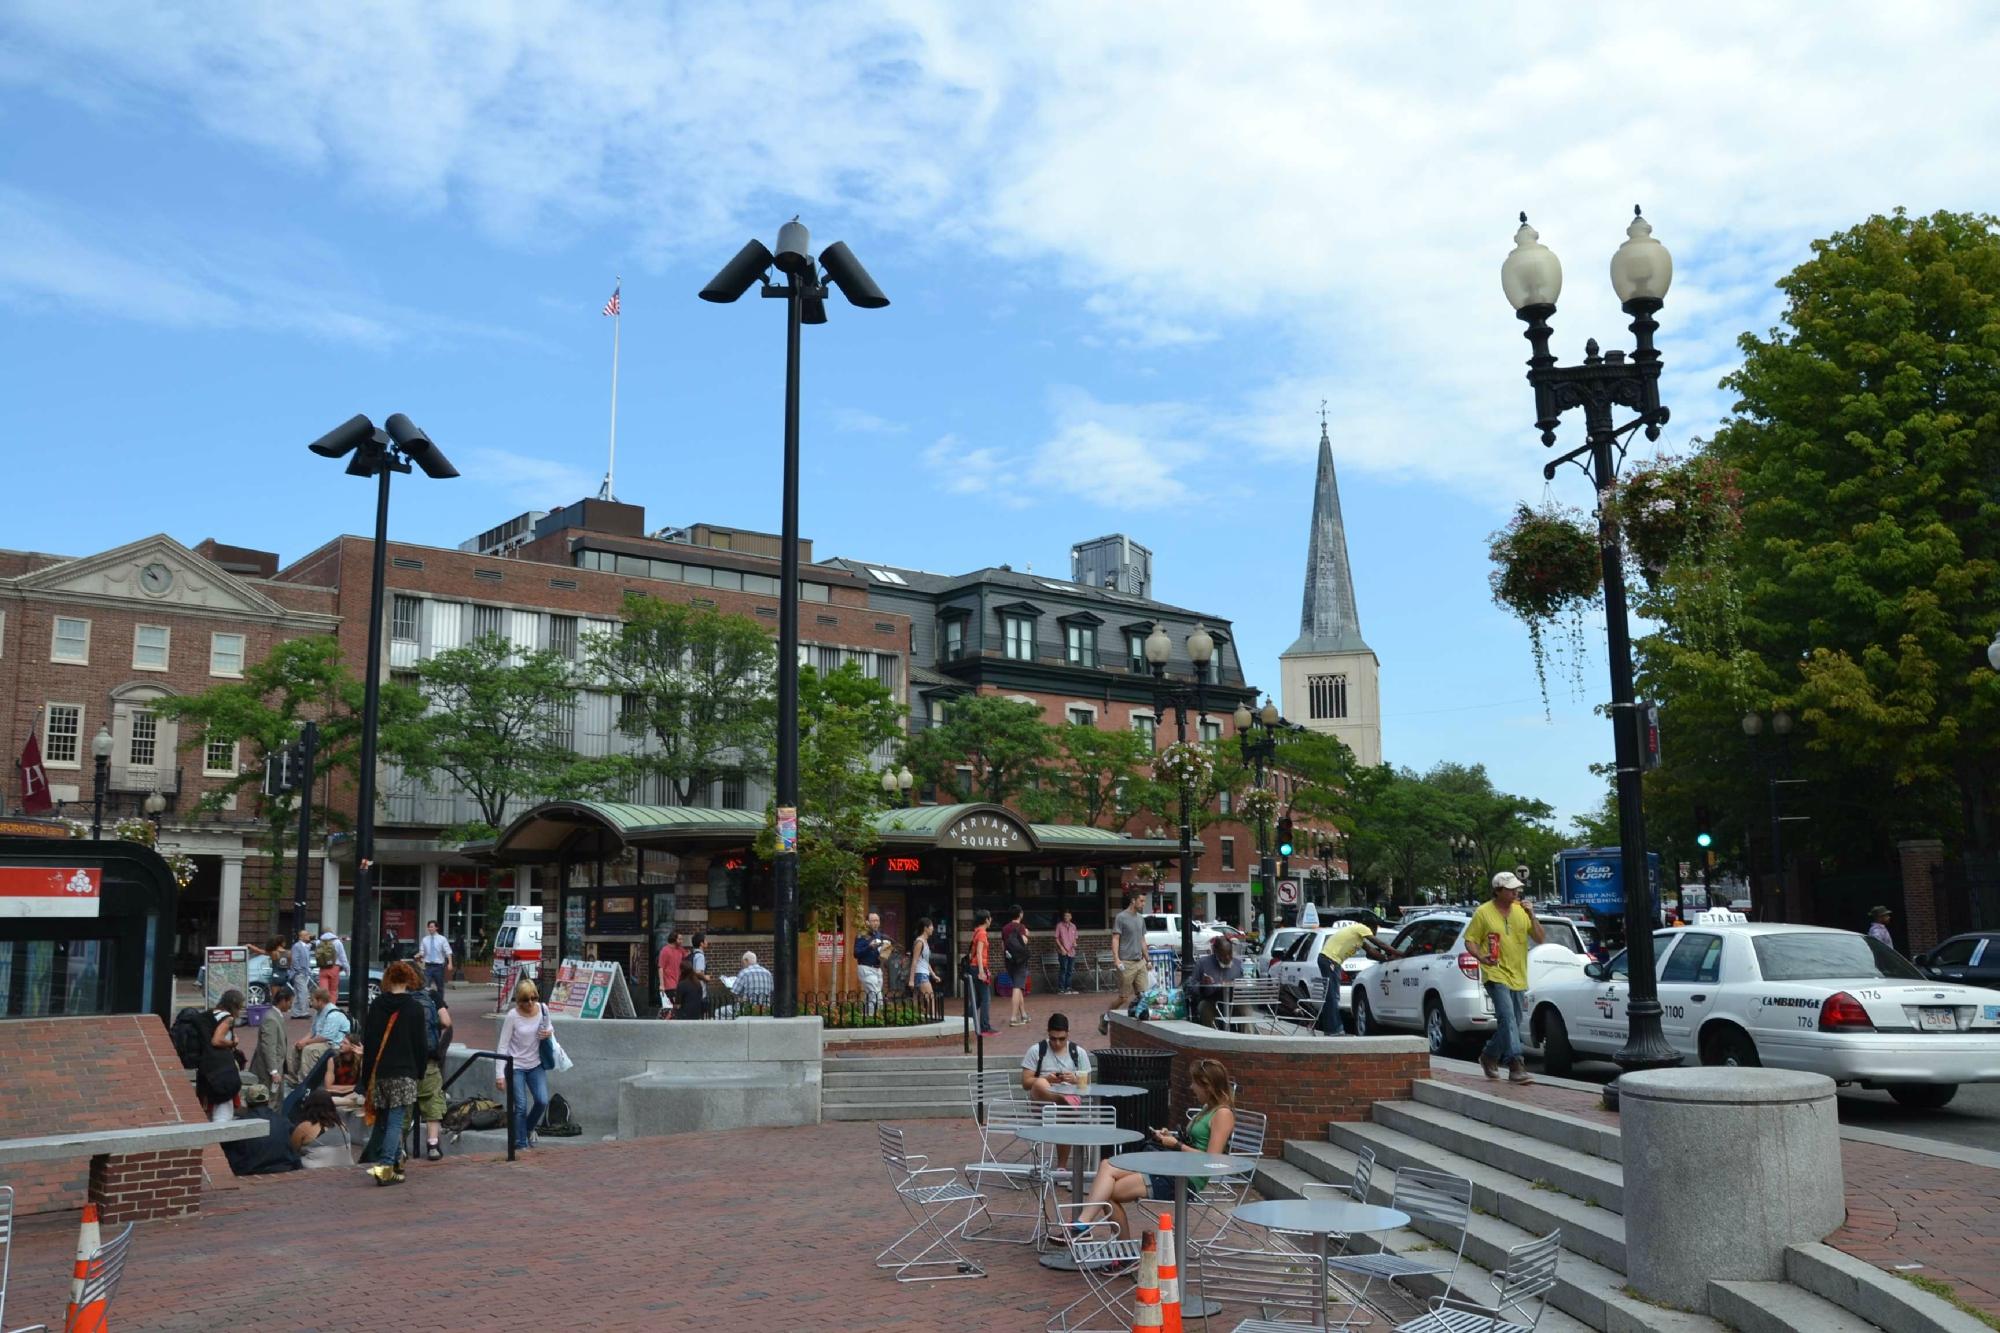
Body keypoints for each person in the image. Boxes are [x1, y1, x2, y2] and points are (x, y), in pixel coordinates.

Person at [1081, 1057, 1236, 1240]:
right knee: (1107, 1166)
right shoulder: (1207, 1108)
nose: (1192, 1087)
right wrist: (1170, 1138)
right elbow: (1193, 1143)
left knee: (1106, 1193)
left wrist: (1177, 1145)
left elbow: (1212, 1159)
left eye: (1195, 1083)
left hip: (1185, 1180)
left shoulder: (1223, 1114)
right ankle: (1084, 1224)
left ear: (1208, 1086)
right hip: (1173, 1167)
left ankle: (1090, 1231)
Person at [1469, 871, 1545, 1084]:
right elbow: (1471, 940)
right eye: (1510, 889)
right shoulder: (1483, 912)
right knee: (1507, 1017)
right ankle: (1515, 1064)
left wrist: (1532, 915)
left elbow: (1539, 938)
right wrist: (1481, 957)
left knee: (1514, 1021)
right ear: (1498, 890)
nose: (1515, 892)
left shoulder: (1522, 911)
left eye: (1517, 889)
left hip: (1518, 973)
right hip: (1495, 972)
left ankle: (1489, 1055)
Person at [359, 961, 429, 1185]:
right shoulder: (414, 1008)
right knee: (396, 1120)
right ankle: (386, 1165)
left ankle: (397, 1162)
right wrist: (421, 1070)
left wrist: (366, 1076)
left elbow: (369, 1043)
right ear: (409, 980)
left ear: (388, 979)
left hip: (380, 1072)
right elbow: (421, 1044)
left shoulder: (378, 1005)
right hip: (404, 1071)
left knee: (387, 1118)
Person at [1021, 1012, 1091, 1173]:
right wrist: (1048, 1079)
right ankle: (1061, 1099)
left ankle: (1061, 1167)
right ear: (1048, 1034)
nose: (1057, 1043)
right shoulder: (1037, 1050)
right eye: (1053, 1039)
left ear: (1068, 1035)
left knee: (1065, 1113)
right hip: (1043, 1105)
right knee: (1039, 1082)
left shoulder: (1078, 1052)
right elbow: (1025, 1083)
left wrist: (1074, 1079)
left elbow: (1087, 1083)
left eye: (1061, 1039)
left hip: (1069, 1107)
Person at [496, 979, 554, 1152]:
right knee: (520, 1105)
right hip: (516, 1066)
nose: (530, 1003)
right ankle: (521, 1143)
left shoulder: (543, 1009)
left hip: (536, 1064)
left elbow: (549, 1026)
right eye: (525, 1000)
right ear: (518, 1000)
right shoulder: (513, 1016)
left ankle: (527, 1128)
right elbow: (503, 1045)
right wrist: (499, 1074)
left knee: (542, 1100)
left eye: (533, 998)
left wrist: (548, 1032)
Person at [1314, 922, 1399, 1036]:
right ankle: (1334, 1030)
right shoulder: (1361, 928)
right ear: (1371, 928)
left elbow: (1371, 951)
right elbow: (1380, 944)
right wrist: (1400, 953)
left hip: (1330, 960)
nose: (1373, 935)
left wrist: (1386, 958)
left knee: (1331, 996)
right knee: (1332, 996)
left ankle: (1331, 1029)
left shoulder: (1357, 937)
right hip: (1330, 960)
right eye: (1374, 933)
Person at [415, 985, 454, 1162]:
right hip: (428, 1058)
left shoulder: (397, 996)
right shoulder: (431, 995)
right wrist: (432, 1027)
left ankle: (400, 1148)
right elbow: (446, 1022)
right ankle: (432, 1144)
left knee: (405, 1105)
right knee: (432, 1100)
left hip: (406, 1059)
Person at [196, 989, 247, 1122]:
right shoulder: (227, 1018)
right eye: (240, 1007)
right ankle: (221, 1140)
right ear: (235, 1005)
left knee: (208, 1107)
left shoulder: (211, 1014)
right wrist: (232, 1042)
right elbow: (216, 1040)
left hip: (205, 1067)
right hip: (221, 1070)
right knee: (223, 1111)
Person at [1102, 892, 1148, 1037]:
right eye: (1141, 901)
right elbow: (1116, 938)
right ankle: (1105, 1017)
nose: (1143, 904)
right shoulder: (1121, 917)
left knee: (1144, 995)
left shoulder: (1141, 919)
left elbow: (1142, 940)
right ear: (1133, 901)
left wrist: (1148, 959)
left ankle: (1139, 1026)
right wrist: (1117, 959)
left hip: (1139, 962)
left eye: (1144, 901)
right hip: (1126, 962)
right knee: (1123, 998)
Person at [1188, 936, 1244, 1027]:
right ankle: (1213, 1035)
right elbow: (1191, 987)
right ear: (1216, 952)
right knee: (1204, 1008)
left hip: (1232, 1001)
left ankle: (1247, 1036)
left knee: (1246, 1010)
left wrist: (1239, 985)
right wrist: (1202, 983)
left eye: (1229, 954)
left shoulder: (1237, 964)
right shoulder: (1203, 963)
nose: (1227, 957)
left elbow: (1243, 983)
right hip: (1211, 1000)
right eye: (1223, 955)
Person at [247, 984, 293, 1094]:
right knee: (272, 1100)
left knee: (276, 1099)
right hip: (269, 1069)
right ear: (282, 1000)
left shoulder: (275, 1016)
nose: (291, 1005)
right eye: (290, 1002)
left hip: (276, 1066)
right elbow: (269, 1046)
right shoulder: (271, 1019)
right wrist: (274, 1071)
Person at [290, 1090, 352, 1170]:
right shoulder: (342, 1124)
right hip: (346, 1170)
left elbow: (292, 1150)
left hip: (315, 1172)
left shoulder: (305, 1127)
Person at [297, 984, 351, 1057]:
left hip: (334, 1045)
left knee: (309, 1050)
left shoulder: (333, 1014)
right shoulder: (318, 1012)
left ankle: (310, 1069)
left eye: (312, 1000)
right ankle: (298, 1069)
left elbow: (325, 1038)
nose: (310, 1003)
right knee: (297, 1048)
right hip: (322, 1042)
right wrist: (301, 1041)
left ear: (320, 1001)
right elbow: (312, 1032)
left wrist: (306, 1042)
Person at [855, 911, 892, 1016]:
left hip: (877, 969)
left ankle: (866, 1016)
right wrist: (869, 946)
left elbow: (881, 956)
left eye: (877, 920)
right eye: (873, 921)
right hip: (866, 968)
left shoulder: (879, 935)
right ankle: (872, 1018)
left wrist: (886, 951)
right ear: (867, 922)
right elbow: (856, 953)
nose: (876, 923)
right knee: (875, 996)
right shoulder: (862, 935)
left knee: (873, 996)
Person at [1001, 905, 1032, 1026]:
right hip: (1020, 961)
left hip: (1009, 961)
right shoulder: (1021, 927)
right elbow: (1024, 941)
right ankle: (1013, 1018)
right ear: (1020, 914)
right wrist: (1027, 935)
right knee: (1017, 988)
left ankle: (1023, 1014)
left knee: (1017, 986)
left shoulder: (1005, 928)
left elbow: (1002, 946)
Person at [968, 909, 997, 1036]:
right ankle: (984, 1026)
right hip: (978, 968)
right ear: (986, 919)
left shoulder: (977, 932)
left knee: (979, 998)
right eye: (990, 918)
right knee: (985, 998)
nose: (991, 920)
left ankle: (967, 1018)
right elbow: (979, 953)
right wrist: (981, 971)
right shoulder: (982, 934)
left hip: (975, 967)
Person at [680, 931, 712, 1021]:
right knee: (703, 1016)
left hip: (691, 989)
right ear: (701, 943)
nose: (707, 942)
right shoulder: (700, 956)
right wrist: (706, 977)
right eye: (705, 940)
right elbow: (698, 972)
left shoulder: (692, 955)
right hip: (700, 990)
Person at [910, 919, 936, 1020]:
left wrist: (933, 975)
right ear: (925, 928)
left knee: (918, 999)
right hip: (920, 974)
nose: (933, 929)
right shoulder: (920, 942)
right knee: (931, 997)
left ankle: (915, 1018)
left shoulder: (925, 942)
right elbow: (915, 961)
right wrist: (911, 980)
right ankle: (934, 1019)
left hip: (923, 973)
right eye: (931, 926)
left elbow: (925, 961)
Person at [656, 929, 686, 1017]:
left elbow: (688, 957)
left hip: (679, 983)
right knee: (672, 1007)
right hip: (669, 984)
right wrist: (662, 985)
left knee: (676, 1007)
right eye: (680, 939)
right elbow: (660, 967)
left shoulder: (680, 950)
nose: (681, 941)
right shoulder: (665, 950)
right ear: (674, 939)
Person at [419, 919, 452, 995]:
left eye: (431, 927)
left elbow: (448, 952)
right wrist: (420, 956)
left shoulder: (442, 939)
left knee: (440, 987)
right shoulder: (425, 939)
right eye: (429, 927)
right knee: (426, 987)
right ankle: (427, 1004)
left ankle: (440, 1004)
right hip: (428, 966)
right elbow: (422, 952)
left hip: (439, 967)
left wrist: (450, 963)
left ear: (436, 928)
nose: (430, 928)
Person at [289, 930, 316, 1017]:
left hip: (304, 973)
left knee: (298, 993)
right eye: (307, 935)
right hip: (299, 973)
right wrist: (299, 970)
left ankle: (296, 1012)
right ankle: (303, 1012)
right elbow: (294, 959)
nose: (309, 936)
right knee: (303, 992)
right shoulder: (297, 946)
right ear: (301, 937)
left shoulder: (305, 946)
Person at [1053, 910, 1079, 995]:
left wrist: (1075, 943)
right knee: (1063, 969)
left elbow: (1075, 937)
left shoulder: (1073, 926)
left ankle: (1068, 988)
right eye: (1065, 916)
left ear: (1071, 917)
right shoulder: (1059, 926)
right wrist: (1061, 948)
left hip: (1072, 951)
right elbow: (1056, 938)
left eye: (1068, 916)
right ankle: (1061, 989)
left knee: (1070, 970)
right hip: (1063, 951)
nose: (1066, 917)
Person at [314, 932, 341, 1003]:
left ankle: (323, 1007)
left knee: (323, 991)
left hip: (323, 968)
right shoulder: (337, 942)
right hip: (334, 968)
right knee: (333, 990)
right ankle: (331, 1008)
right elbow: (342, 956)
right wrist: (347, 969)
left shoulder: (318, 942)